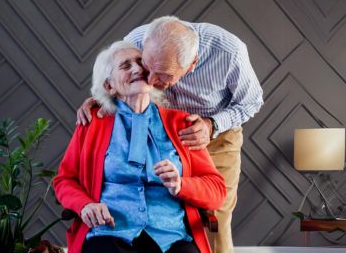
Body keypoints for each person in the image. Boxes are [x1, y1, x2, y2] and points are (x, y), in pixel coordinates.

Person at [76, 16, 264, 253]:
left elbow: (251, 101)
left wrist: (211, 125)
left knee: (216, 217)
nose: (151, 81)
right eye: (148, 67)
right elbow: (116, 73)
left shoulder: (229, 52)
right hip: (148, 122)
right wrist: (99, 98)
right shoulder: (137, 40)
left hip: (214, 132)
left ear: (192, 64)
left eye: (164, 74)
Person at [54, 40, 226, 253]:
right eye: (126, 66)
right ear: (110, 86)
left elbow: (217, 190)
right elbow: (64, 180)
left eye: (140, 62)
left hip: (171, 237)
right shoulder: (92, 123)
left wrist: (181, 184)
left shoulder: (182, 123)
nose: (137, 69)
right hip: (110, 233)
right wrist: (85, 205)